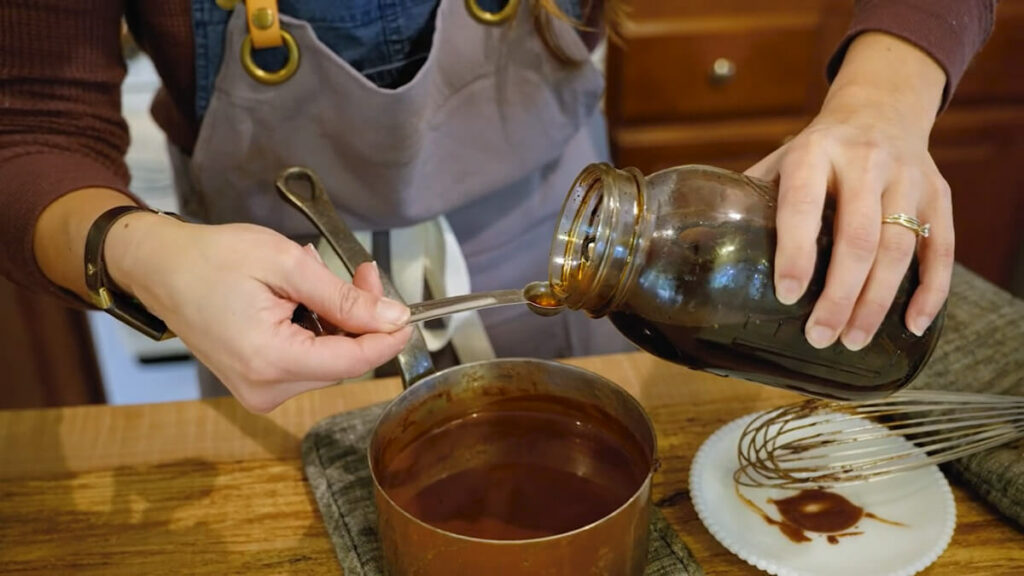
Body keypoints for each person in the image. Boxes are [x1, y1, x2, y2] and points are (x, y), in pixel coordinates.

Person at [0, 0, 996, 413]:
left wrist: (879, 103)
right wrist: (143, 255)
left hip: (584, 275)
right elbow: (28, 129)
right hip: (266, 316)